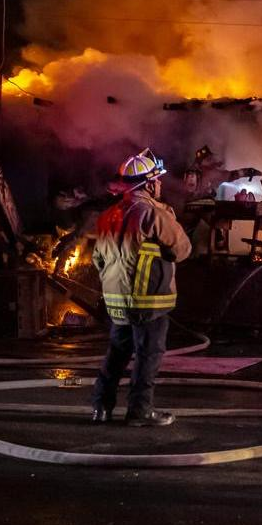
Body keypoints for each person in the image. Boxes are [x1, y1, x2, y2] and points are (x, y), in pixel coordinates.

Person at [90, 148, 192, 427]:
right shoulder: (152, 214)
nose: (159, 184)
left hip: (116, 301)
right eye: (157, 180)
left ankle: (101, 407)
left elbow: (98, 259)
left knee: (117, 353)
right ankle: (140, 411)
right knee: (148, 356)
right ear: (148, 184)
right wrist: (167, 214)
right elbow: (182, 249)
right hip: (148, 301)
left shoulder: (107, 216)